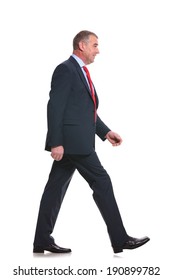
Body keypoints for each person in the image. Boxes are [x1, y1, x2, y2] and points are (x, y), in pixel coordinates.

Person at [33, 30, 150, 254]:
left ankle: (41, 240)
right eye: (95, 45)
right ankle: (120, 238)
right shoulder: (66, 70)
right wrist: (56, 142)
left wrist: (105, 132)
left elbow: (84, 112)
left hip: (73, 143)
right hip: (74, 144)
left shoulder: (80, 71)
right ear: (81, 45)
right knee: (102, 182)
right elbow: (55, 107)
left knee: (54, 189)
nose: (98, 50)